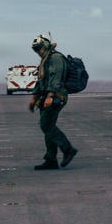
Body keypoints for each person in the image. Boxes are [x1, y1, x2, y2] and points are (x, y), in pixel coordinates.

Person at [29, 34, 79, 170]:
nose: (37, 52)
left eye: (38, 48)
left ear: (45, 46)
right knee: (48, 126)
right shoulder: (45, 59)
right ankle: (51, 159)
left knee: (46, 126)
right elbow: (41, 80)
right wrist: (34, 98)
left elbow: (56, 78)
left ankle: (68, 149)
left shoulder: (56, 58)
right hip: (47, 96)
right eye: (35, 49)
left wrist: (50, 95)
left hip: (57, 96)